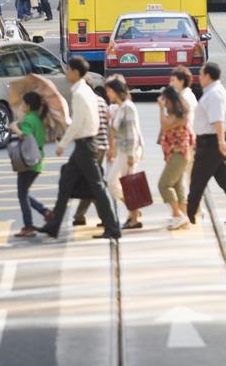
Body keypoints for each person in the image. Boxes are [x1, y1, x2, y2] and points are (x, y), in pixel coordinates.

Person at [37, 57, 121, 240]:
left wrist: (63, 144)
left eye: (68, 70)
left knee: (97, 187)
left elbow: (76, 124)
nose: (66, 73)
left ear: (75, 72)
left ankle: (112, 227)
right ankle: (54, 226)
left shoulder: (80, 93)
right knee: (65, 183)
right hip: (86, 144)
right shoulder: (85, 91)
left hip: (85, 145)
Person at [185, 63, 226, 225]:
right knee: (225, 180)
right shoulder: (213, 92)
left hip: (212, 141)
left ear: (208, 76)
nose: (199, 77)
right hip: (212, 140)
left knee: (197, 178)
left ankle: (189, 214)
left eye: (200, 74)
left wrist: (220, 142)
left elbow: (218, 120)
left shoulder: (214, 94)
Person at [9, 91, 52, 238]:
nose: (21, 106)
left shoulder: (29, 120)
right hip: (37, 160)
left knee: (22, 194)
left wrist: (15, 128)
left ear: (27, 105)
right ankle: (44, 212)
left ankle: (28, 226)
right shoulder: (38, 119)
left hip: (28, 161)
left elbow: (25, 136)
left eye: (23, 103)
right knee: (24, 193)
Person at [104, 78, 145, 229]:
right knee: (121, 184)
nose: (107, 94)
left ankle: (134, 216)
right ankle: (133, 213)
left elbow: (132, 133)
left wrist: (130, 156)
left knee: (117, 183)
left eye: (109, 91)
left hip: (128, 151)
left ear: (115, 91)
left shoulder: (127, 107)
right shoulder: (121, 107)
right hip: (124, 150)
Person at [157, 86, 195, 230]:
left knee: (164, 184)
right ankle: (183, 217)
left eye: (165, 101)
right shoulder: (174, 113)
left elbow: (165, 126)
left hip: (179, 154)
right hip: (174, 154)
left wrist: (160, 109)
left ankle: (178, 214)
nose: (164, 104)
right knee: (178, 186)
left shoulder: (181, 115)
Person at [73, 84, 110, 226]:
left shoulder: (87, 101)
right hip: (102, 145)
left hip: (92, 146)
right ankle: (79, 216)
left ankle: (105, 216)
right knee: (90, 181)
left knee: (93, 183)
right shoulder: (101, 100)